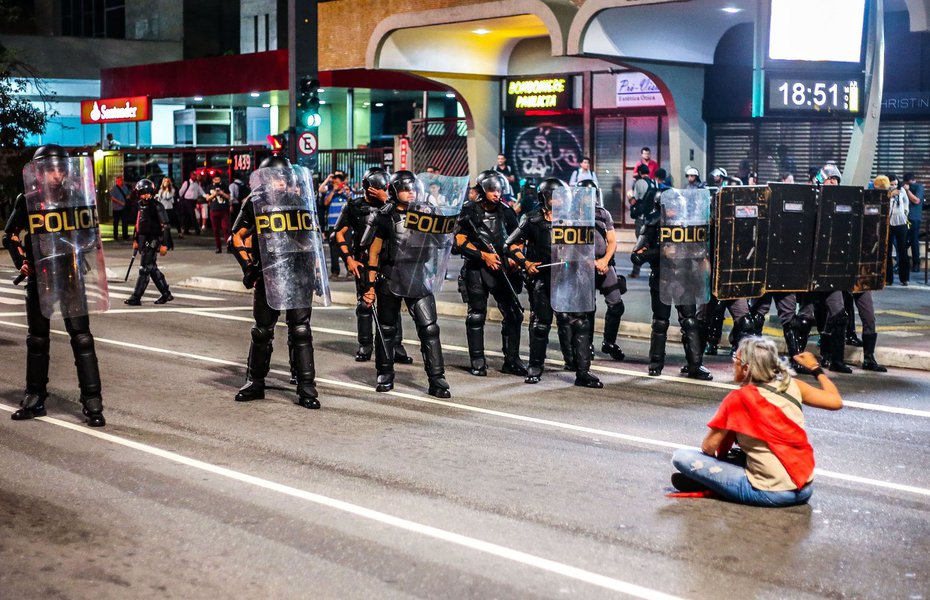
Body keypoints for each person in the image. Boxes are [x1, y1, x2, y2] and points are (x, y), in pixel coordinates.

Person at [670, 337, 843, 507]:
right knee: (740, 455)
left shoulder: (739, 398)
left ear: (746, 368)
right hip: (804, 489)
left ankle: (713, 483)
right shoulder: (792, 385)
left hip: (770, 494)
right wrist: (815, 368)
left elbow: (709, 447)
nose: (733, 364)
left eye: (735, 359)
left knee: (682, 457)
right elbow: (836, 401)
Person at [2, 145, 106, 427]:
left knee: (82, 336)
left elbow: (90, 235)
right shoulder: (29, 199)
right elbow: (10, 236)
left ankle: (93, 401)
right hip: (41, 275)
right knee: (37, 339)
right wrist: (22, 262)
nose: (57, 175)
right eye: (51, 169)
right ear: (39, 171)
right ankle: (34, 397)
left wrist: (77, 246)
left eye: (61, 169)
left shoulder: (76, 197)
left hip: (72, 274)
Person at [229, 155, 323, 409]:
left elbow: (313, 242)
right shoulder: (255, 203)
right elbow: (235, 237)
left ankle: (306, 387)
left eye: (282, 177)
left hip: (299, 273)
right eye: (274, 177)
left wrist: (316, 274)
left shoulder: (301, 201)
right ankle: (255, 381)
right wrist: (248, 267)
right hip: (268, 273)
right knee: (261, 331)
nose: (279, 182)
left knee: (301, 330)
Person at [362, 171, 452, 398]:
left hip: (419, 274)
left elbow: (443, 242)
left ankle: (437, 379)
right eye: (404, 188)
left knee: (429, 328)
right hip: (391, 275)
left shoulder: (426, 212)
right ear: (394, 190)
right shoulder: (385, 216)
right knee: (386, 329)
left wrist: (440, 224)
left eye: (412, 187)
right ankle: (384, 374)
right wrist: (369, 286)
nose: (410, 191)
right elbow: (373, 252)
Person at [506, 178, 603, 388]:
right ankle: (534, 367)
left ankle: (583, 371)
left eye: (561, 197)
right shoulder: (532, 220)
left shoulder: (573, 219)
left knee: (580, 322)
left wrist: (586, 258)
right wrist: (525, 262)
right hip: (543, 277)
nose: (558, 201)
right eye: (553, 197)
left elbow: (586, 245)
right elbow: (510, 244)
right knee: (541, 324)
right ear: (544, 198)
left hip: (570, 277)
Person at [631, 185, 712, 380]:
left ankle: (695, 365)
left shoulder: (688, 224)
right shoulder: (652, 224)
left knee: (690, 322)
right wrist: (660, 252)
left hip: (685, 278)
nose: (675, 209)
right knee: (660, 323)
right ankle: (656, 363)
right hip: (662, 279)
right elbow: (636, 256)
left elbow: (701, 250)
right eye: (671, 206)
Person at [332, 167, 412, 364]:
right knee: (365, 305)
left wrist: (387, 200)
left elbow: (408, 219)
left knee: (392, 305)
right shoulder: (355, 206)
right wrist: (349, 259)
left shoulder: (392, 206)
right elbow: (338, 233)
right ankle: (365, 344)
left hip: (388, 263)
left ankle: (396, 345)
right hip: (364, 262)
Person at [453, 169, 527, 377]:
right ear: (482, 190)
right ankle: (477, 360)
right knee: (476, 315)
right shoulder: (469, 211)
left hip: (502, 268)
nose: (496, 193)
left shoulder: (506, 211)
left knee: (514, 314)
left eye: (498, 189)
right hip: (477, 269)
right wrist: (483, 256)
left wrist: (515, 257)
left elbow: (517, 238)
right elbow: (459, 241)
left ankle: (511, 360)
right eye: (492, 189)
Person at [558, 179, 626, 365]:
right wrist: (587, 261)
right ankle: (586, 344)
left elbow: (612, 241)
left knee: (616, 304)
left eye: (593, 195)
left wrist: (604, 260)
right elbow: (567, 244)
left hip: (604, 265)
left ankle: (609, 342)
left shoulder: (603, 214)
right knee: (587, 307)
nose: (590, 199)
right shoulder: (570, 216)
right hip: (581, 266)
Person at [124, 179, 173, 306]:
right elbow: (138, 224)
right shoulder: (140, 205)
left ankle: (136, 297)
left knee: (144, 269)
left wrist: (164, 245)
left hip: (153, 240)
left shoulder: (157, 206)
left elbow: (166, 226)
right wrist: (135, 239)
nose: (145, 196)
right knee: (152, 268)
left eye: (147, 193)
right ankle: (166, 293)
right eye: (143, 193)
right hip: (142, 239)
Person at [628, 163, 658, 279]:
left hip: (641, 218)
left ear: (640, 173)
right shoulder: (654, 182)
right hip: (652, 219)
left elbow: (634, 201)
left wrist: (629, 197)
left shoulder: (639, 183)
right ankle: (654, 270)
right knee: (651, 244)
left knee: (640, 244)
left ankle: (636, 271)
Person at [884, 173, 910, 286]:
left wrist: (905, 214)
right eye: (891, 184)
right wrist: (889, 194)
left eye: (895, 183)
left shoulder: (901, 191)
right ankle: (888, 278)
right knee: (887, 251)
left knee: (902, 250)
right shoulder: (884, 192)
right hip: (888, 223)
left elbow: (906, 204)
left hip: (901, 223)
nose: (894, 186)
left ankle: (904, 278)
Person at [324, 172, 351, 278]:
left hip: (345, 225)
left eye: (337, 183)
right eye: (334, 183)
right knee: (334, 249)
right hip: (333, 226)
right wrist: (333, 191)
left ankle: (349, 269)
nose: (335, 185)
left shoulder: (346, 193)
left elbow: (352, 203)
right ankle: (335, 271)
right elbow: (326, 203)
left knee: (347, 247)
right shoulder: (331, 193)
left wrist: (348, 193)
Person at [205, 173, 232, 253]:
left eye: (218, 179)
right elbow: (207, 198)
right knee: (215, 230)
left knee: (226, 229)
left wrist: (222, 193)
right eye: (215, 179)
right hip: (213, 210)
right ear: (213, 180)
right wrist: (214, 194)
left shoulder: (224, 186)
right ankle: (218, 247)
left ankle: (228, 247)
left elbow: (229, 197)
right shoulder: (209, 187)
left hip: (223, 210)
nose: (217, 181)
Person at [902, 173, 923, 273]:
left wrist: (907, 190)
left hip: (913, 219)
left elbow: (916, 200)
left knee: (914, 241)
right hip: (904, 218)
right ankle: (903, 264)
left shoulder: (919, 187)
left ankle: (916, 264)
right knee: (903, 241)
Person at [178, 172, 205, 236]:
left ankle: (186, 230)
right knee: (192, 215)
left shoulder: (197, 183)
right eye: (194, 175)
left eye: (196, 175)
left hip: (193, 201)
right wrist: (179, 199)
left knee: (187, 215)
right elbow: (181, 191)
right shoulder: (187, 182)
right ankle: (197, 230)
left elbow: (201, 191)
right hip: (187, 201)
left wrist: (206, 196)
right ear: (191, 176)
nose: (195, 177)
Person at [109, 175, 132, 241]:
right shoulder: (114, 189)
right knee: (116, 222)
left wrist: (128, 196)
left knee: (125, 222)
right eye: (120, 180)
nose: (121, 181)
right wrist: (120, 202)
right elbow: (113, 198)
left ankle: (125, 235)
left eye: (122, 180)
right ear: (117, 181)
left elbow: (128, 194)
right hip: (116, 208)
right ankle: (115, 235)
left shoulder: (125, 187)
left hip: (124, 208)